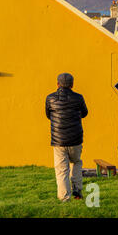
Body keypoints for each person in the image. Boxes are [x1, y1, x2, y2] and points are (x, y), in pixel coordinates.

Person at [46, 73, 88, 202]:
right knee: (76, 162)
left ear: (57, 84)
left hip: (58, 140)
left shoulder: (50, 98)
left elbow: (48, 115)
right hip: (75, 139)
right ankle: (77, 189)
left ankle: (64, 198)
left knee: (62, 169)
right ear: (72, 84)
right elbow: (85, 113)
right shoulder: (78, 98)